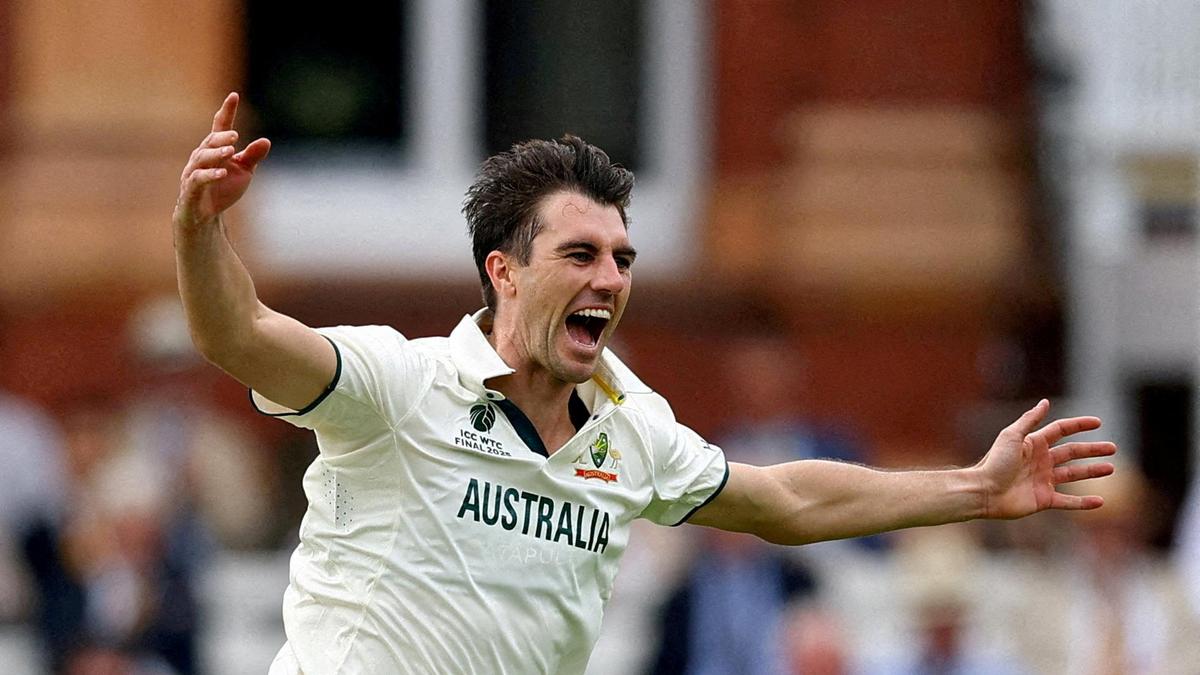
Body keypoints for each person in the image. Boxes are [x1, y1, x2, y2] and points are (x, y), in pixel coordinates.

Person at [172, 93, 1117, 674]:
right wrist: (199, 230)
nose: (611, 280)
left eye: (623, 257)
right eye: (580, 254)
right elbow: (241, 334)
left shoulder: (629, 426)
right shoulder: (399, 382)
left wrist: (974, 488)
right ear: (504, 271)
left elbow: (781, 497)